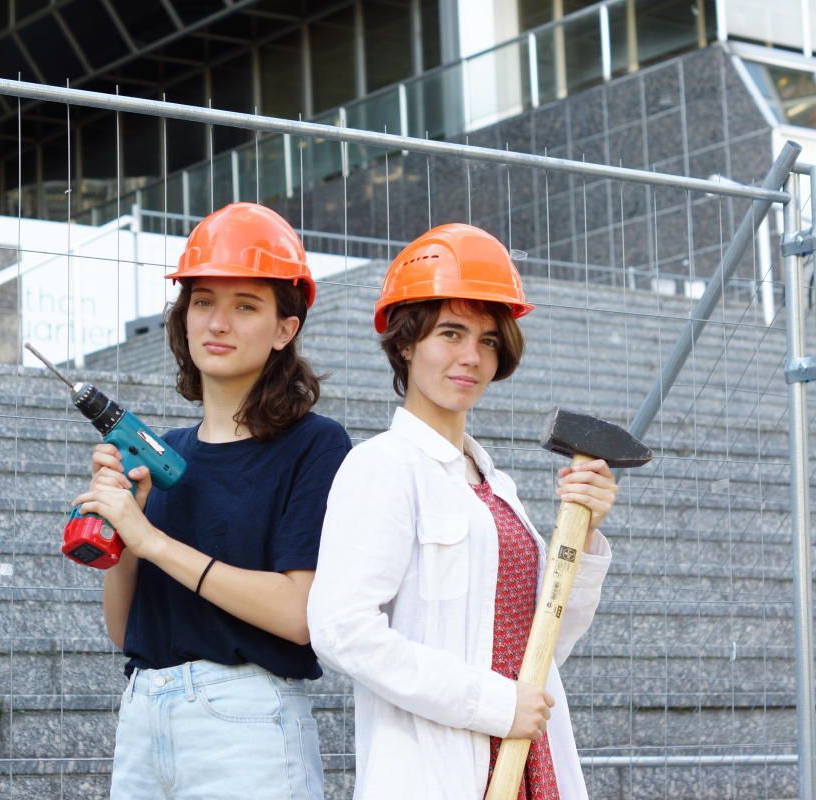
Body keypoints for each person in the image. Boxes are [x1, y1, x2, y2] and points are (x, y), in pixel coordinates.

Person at [307, 223, 617, 800]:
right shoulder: (382, 466)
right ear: (405, 342)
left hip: (530, 762)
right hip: (437, 770)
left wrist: (586, 530)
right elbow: (340, 630)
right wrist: (493, 703)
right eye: (450, 333)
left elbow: (546, 643)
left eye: (488, 340)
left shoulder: (497, 487)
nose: (471, 357)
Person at [72, 202, 351, 800]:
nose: (217, 323)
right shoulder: (163, 453)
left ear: (285, 329)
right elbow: (123, 630)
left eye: (245, 305)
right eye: (203, 302)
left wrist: (152, 541)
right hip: (144, 713)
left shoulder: (315, 445)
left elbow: (299, 614)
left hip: (246, 725)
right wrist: (123, 527)